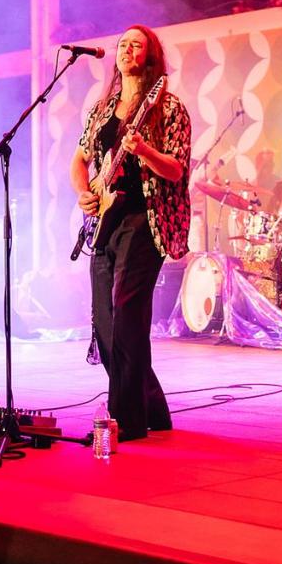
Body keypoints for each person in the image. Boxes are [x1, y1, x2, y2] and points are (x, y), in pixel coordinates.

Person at [69, 25, 191, 441]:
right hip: (105, 220)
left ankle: (124, 422)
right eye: (122, 44)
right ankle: (153, 407)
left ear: (150, 55)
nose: (126, 49)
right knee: (105, 323)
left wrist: (145, 151)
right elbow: (79, 160)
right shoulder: (102, 110)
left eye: (136, 44)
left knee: (127, 318)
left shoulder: (168, 108)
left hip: (146, 220)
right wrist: (84, 193)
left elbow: (176, 169)